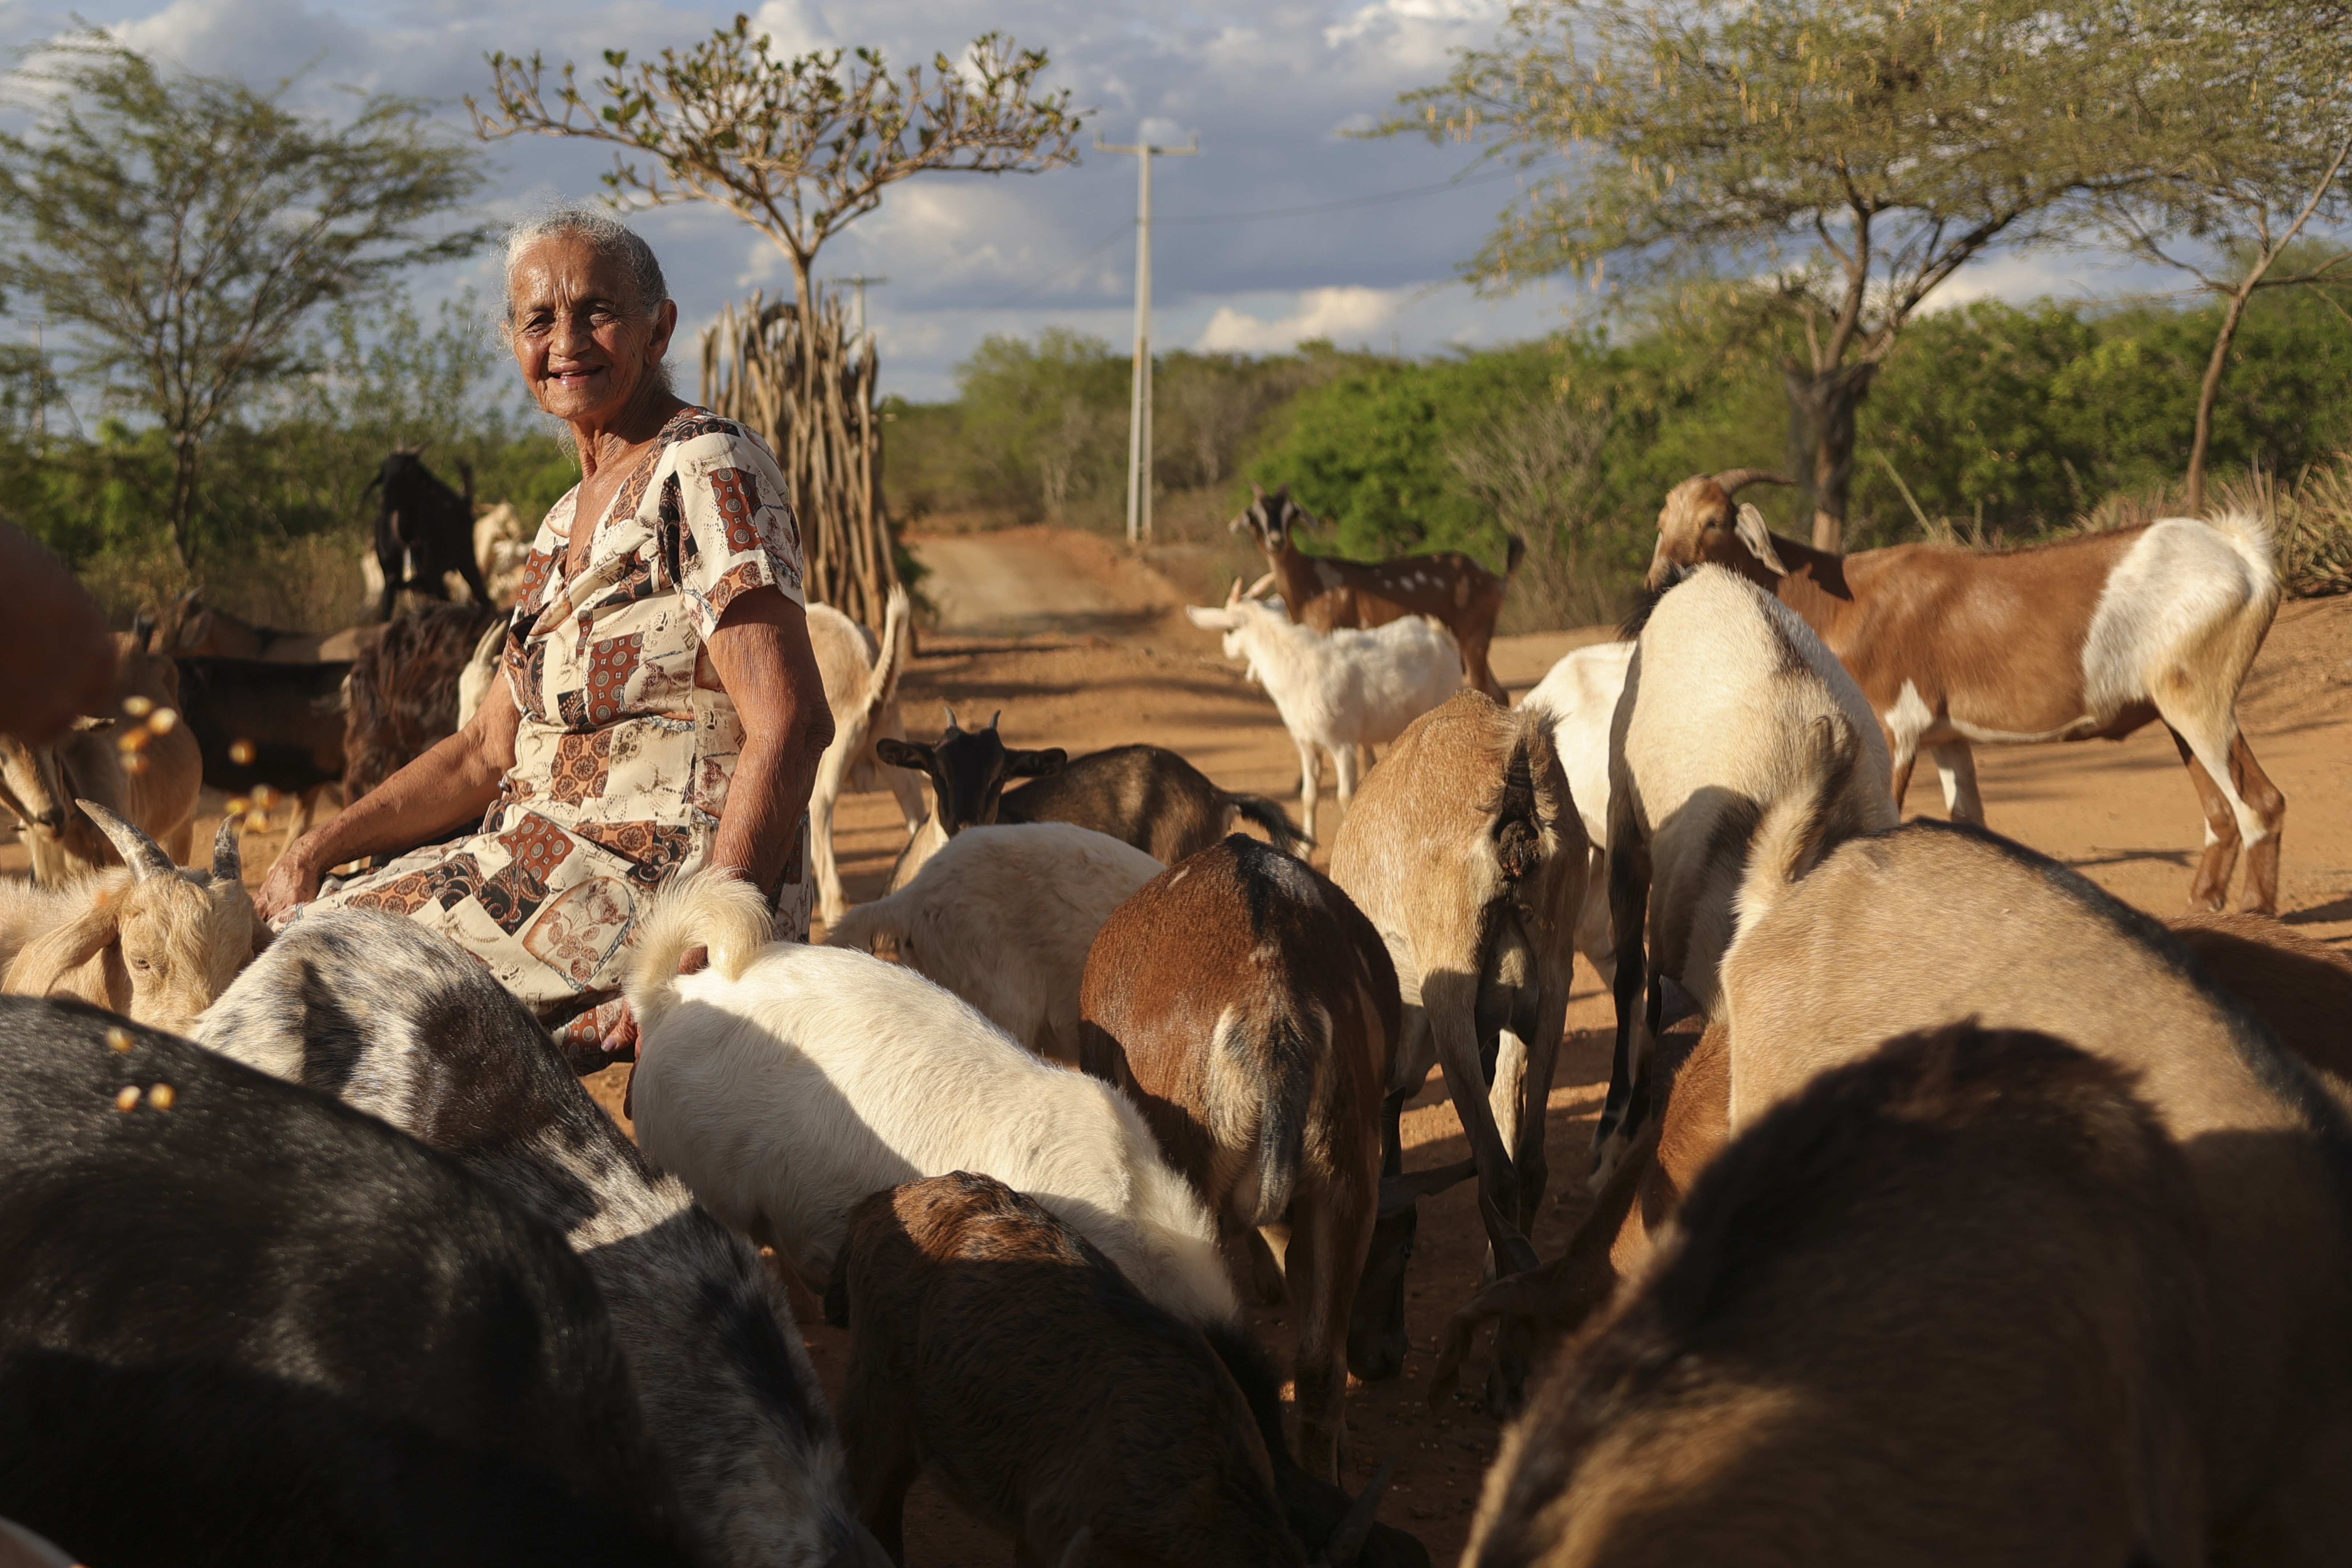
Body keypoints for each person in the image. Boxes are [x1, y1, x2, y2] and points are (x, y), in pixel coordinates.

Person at [255, 204, 834, 1068]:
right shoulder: (562, 523)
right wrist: (313, 848)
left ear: (657, 328)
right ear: (514, 342)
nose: (567, 340)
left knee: (306, 968)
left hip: (652, 881)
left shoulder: (706, 467)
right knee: (299, 913)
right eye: (539, 319)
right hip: (537, 864)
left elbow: (791, 723)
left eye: (596, 311)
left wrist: (706, 950)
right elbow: (484, 751)